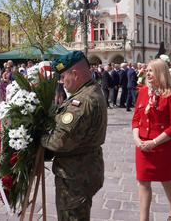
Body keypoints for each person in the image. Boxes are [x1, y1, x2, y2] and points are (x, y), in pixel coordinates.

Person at [41, 51, 107, 221]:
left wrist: (37, 137)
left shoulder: (81, 102)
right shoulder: (92, 90)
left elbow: (58, 142)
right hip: (85, 168)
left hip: (75, 175)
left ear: (75, 74)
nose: (61, 81)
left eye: (63, 76)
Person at [131, 59, 171, 221]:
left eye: (151, 70)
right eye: (147, 70)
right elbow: (136, 119)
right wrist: (137, 139)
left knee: (166, 179)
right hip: (142, 146)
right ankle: (143, 219)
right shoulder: (144, 91)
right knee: (143, 182)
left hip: (163, 146)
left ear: (160, 72)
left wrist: (154, 142)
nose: (148, 73)